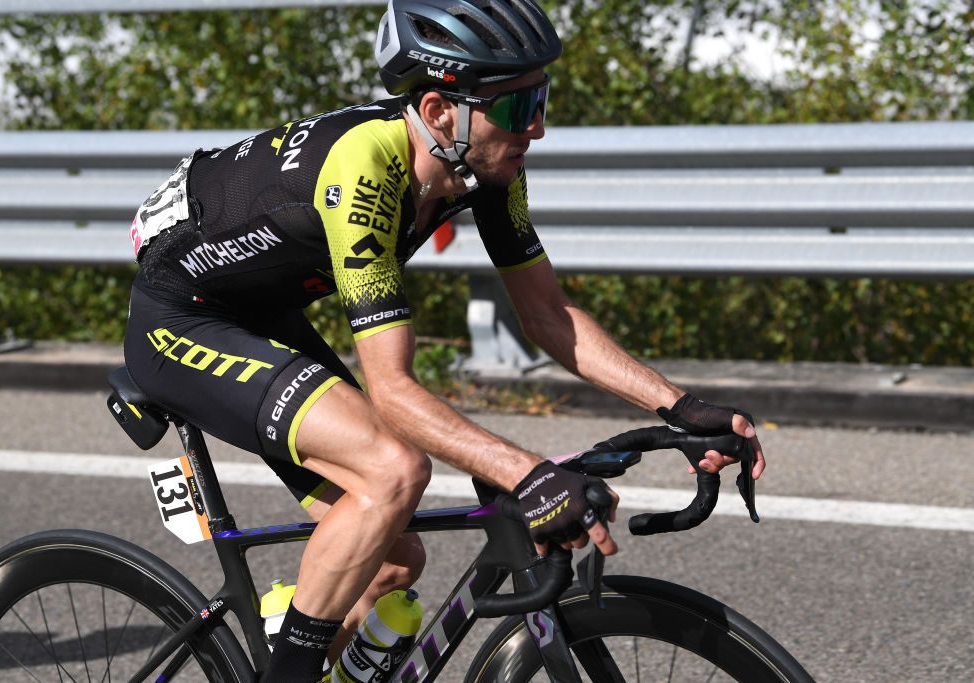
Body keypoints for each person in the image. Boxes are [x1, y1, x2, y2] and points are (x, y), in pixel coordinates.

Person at [123, 0, 765, 679]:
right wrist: (530, 474)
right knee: (394, 469)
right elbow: (393, 393)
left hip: (265, 311)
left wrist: (677, 405)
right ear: (438, 112)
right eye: (518, 110)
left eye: (541, 100)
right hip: (181, 320)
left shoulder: (487, 166)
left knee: (393, 561)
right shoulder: (365, 169)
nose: (538, 128)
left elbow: (549, 316)